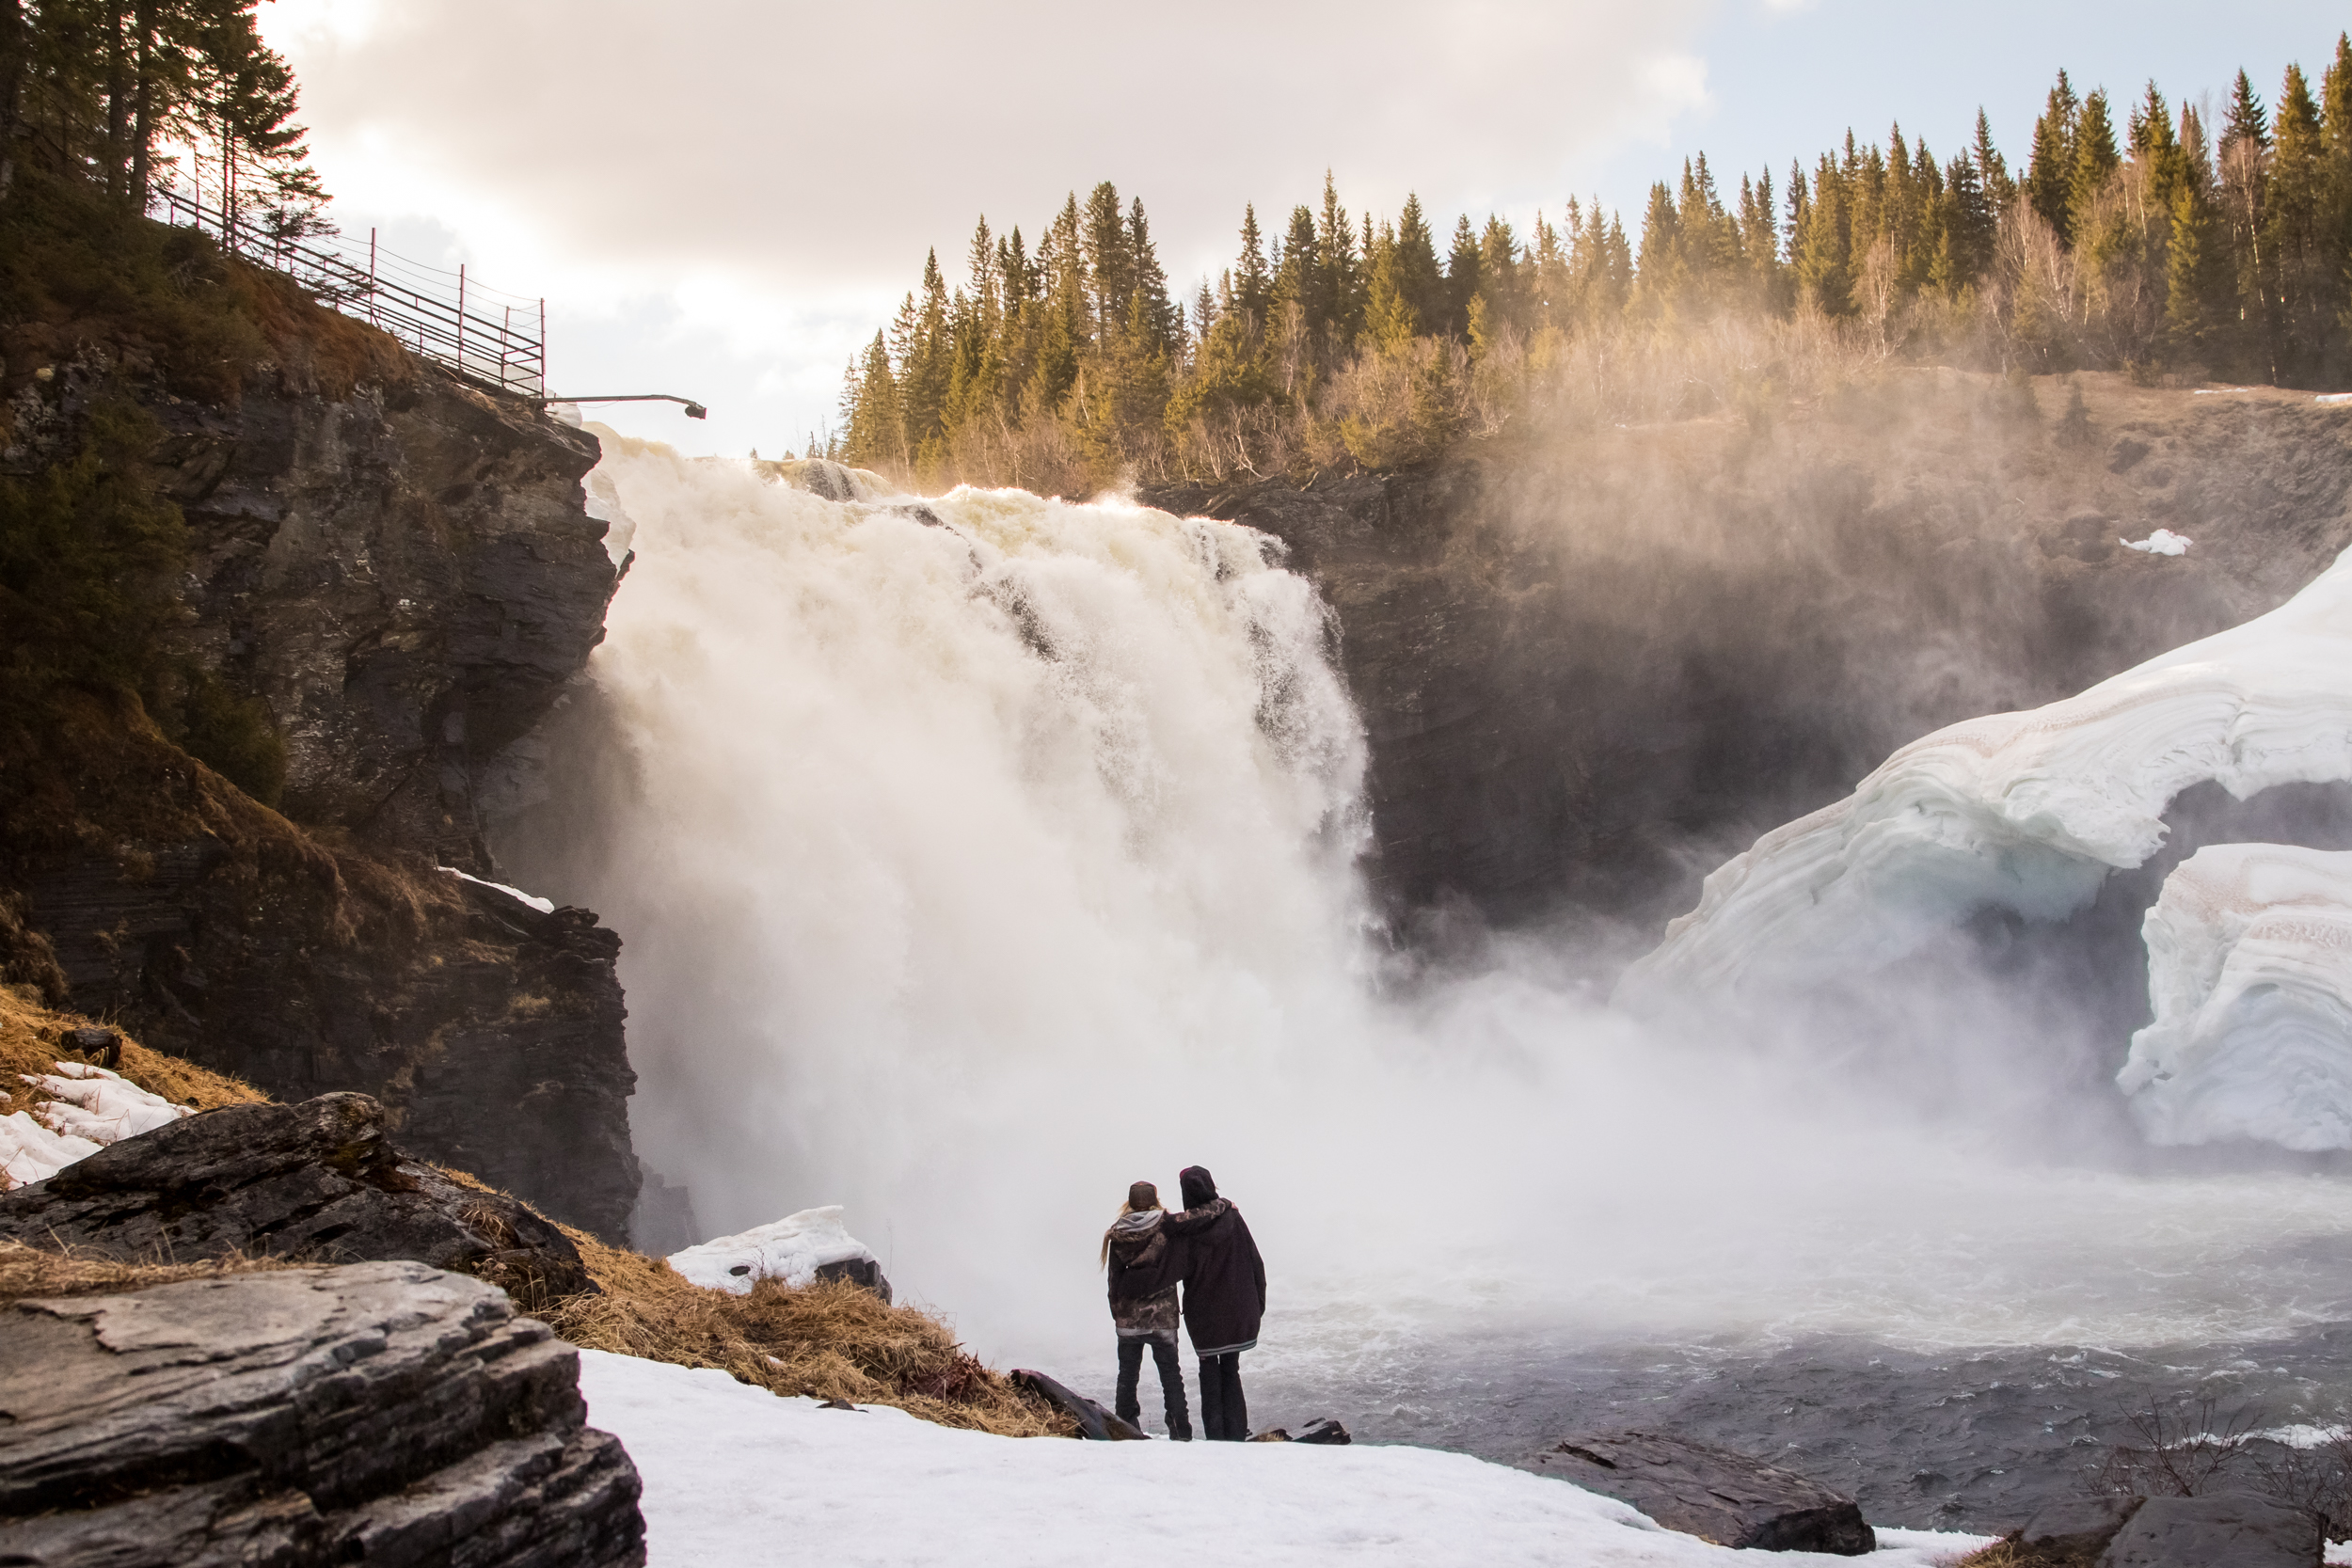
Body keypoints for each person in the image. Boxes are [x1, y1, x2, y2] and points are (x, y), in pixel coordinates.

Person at [1163, 1164, 1265, 1442]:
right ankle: (1235, 1437)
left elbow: (1174, 1271)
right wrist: (1258, 1306)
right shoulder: (1233, 1217)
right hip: (1238, 1312)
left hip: (1204, 1317)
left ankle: (1216, 1440)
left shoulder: (1184, 1230)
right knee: (1231, 1369)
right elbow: (1256, 1263)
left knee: (1209, 1371)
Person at [1102, 1180, 1192, 1440]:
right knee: (1171, 1376)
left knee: (1127, 1377)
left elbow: (1114, 1281)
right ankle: (1181, 1430)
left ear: (1129, 1202)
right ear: (1155, 1199)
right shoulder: (1167, 1228)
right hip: (1163, 1316)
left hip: (1129, 1318)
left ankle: (1125, 1430)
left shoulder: (1118, 1232)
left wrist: (1118, 1313)